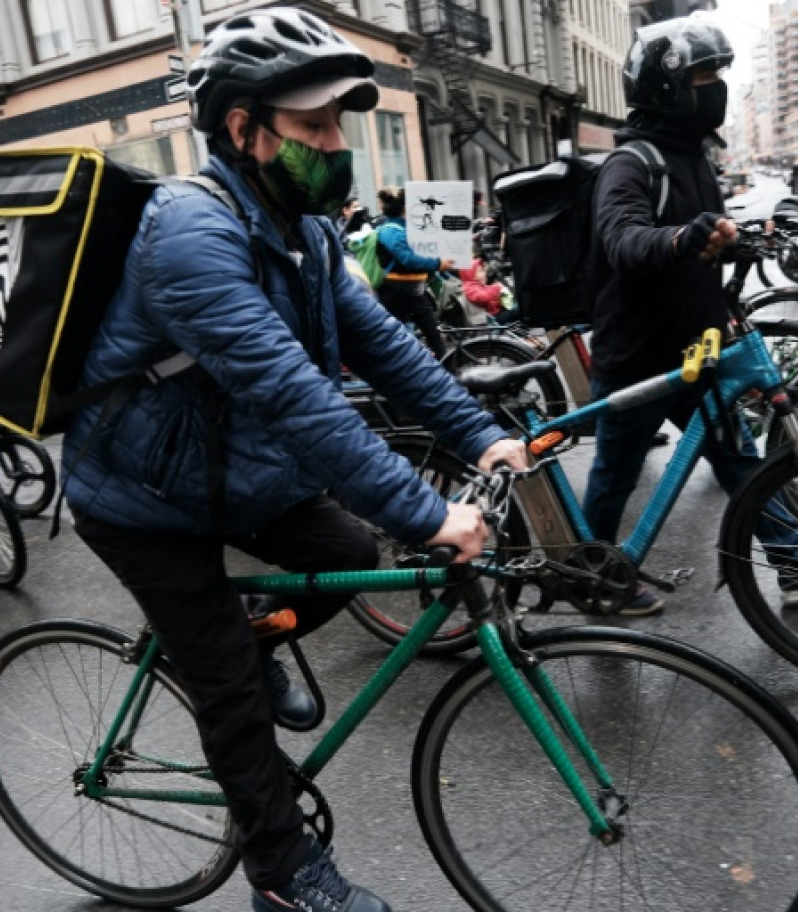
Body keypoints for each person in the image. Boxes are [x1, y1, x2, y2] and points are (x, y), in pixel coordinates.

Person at [65, 9, 526, 911]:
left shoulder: (306, 232)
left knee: (346, 560)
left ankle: (244, 642)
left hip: (236, 472)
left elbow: (384, 347)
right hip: (141, 497)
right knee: (229, 691)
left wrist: (480, 433)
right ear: (244, 128)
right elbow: (294, 396)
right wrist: (428, 512)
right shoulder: (189, 234)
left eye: (337, 125)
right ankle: (283, 879)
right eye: (314, 126)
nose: (336, 143)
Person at [584, 13, 798, 615]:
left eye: (718, 71)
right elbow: (623, 239)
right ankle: (594, 575)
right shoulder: (630, 164)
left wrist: (739, 242)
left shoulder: (694, 159)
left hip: (697, 346)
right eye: (702, 74)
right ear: (663, 84)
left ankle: (794, 560)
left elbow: (704, 240)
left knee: (738, 456)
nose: (714, 84)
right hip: (638, 355)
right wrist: (679, 240)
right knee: (614, 475)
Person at [375, 186, 453, 358]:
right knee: (399, 340)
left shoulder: (411, 228)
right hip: (394, 292)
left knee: (433, 334)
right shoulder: (390, 230)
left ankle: (449, 373)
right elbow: (409, 260)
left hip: (414, 290)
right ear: (405, 208)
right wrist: (439, 263)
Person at [458, 258, 518, 324]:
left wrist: (499, 300)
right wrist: (496, 288)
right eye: (481, 271)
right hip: (490, 319)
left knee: (516, 305)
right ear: (471, 274)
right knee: (518, 309)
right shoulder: (469, 288)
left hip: (494, 313)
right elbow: (482, 297)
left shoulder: (477, 285)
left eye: (483, 270)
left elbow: (488, 297)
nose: (484, 273)